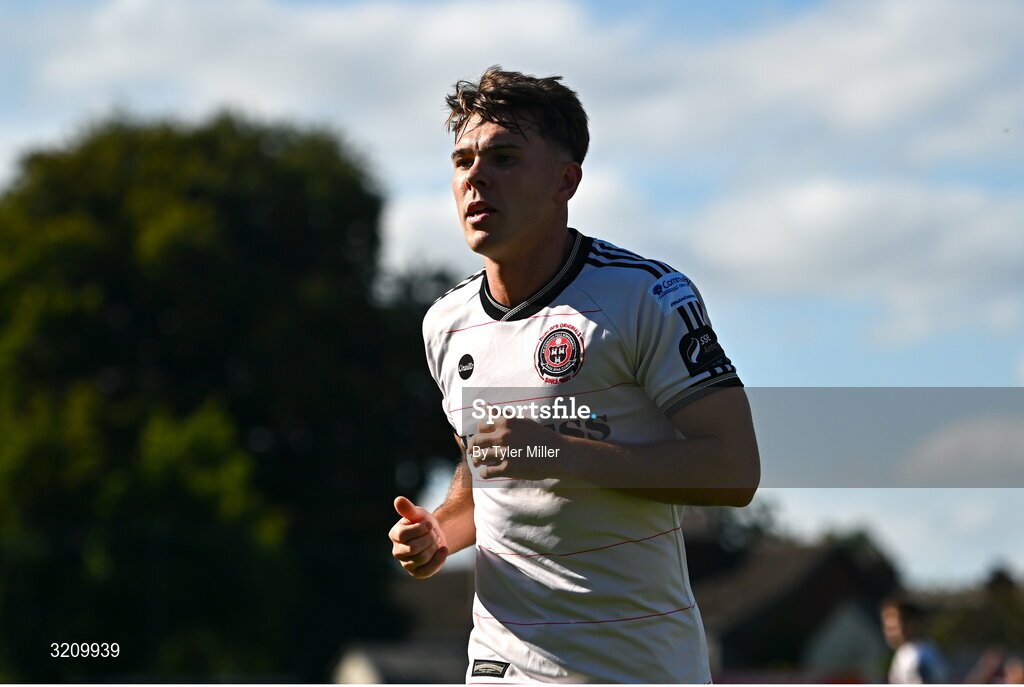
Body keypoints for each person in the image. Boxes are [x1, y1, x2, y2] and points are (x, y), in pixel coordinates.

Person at [388, 66, 760, 683]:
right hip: (503, 664)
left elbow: (734, 469)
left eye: (503, 158)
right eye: (462, 161)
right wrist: (438, 534)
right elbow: (488, 477)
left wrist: (560, 451)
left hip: (635, 669)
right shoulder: (445, 323)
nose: (475, 177)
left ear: (567, 180)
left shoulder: (646, 296)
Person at [881, 597, 949, 684]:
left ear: (911, 624)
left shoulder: (917, 658)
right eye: (887, 627)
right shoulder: (911, 652)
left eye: (892, 628)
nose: (888, 633)